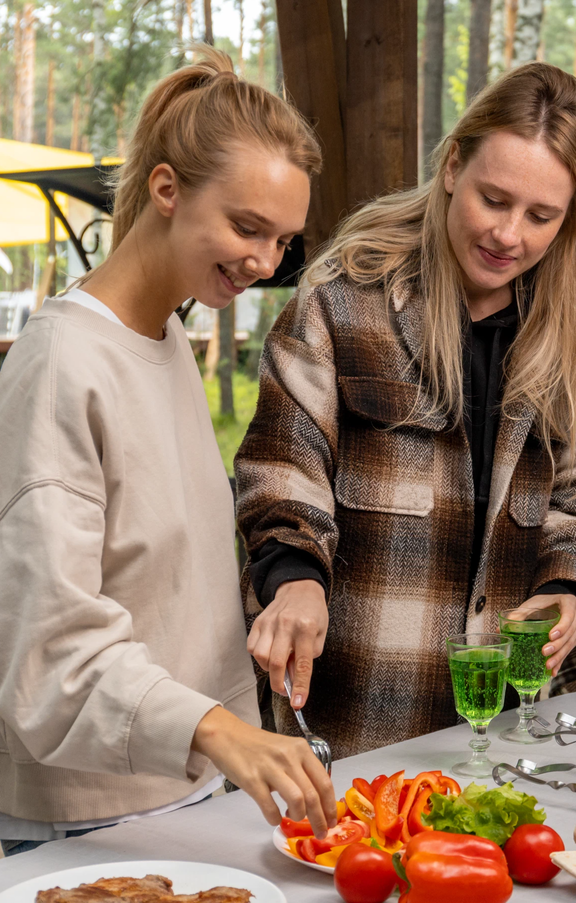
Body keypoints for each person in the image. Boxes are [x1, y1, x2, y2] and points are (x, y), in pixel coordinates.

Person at [0, 47, 338, 856]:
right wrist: (219, 728)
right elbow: (48, 651)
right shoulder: (62, 364)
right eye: (246, 226)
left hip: (184, 794)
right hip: (82, 816)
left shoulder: (167, 340)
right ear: (165, 189)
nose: (263, 262)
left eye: (282, 240)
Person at [235, 62, 576, 759]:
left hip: (500, 731)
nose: (509, 234)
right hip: (355, 718)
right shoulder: (341, 302)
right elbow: (283, 468)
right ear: (451, 168)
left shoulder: (566, 331)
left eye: (540, 216)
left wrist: (567, 587)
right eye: (493, 199)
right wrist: (293, 580)